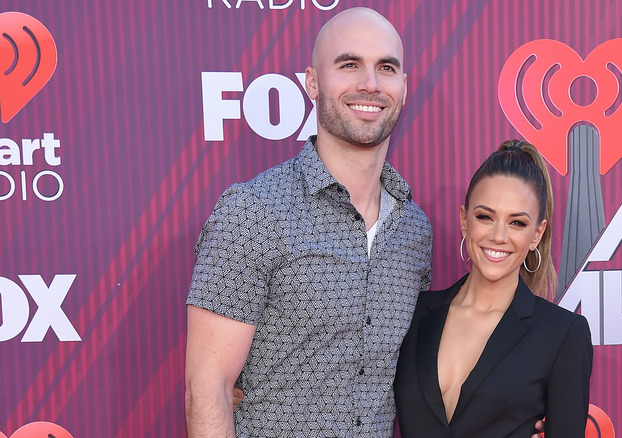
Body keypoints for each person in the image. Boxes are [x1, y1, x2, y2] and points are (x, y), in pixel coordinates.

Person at [184, 7, 432, 437]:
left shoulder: (414, 230)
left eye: (386, 68)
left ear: (404, 87)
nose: (370, 83)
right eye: (349, 64)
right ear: (312, 82)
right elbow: (208, 388)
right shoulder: (253, 212)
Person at [394, 140, 593, 437]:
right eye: (485, 217)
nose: (499, 236)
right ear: (464, 220)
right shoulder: (414, 312)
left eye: (517, 223)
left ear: (537, 234)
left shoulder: (562, 335)